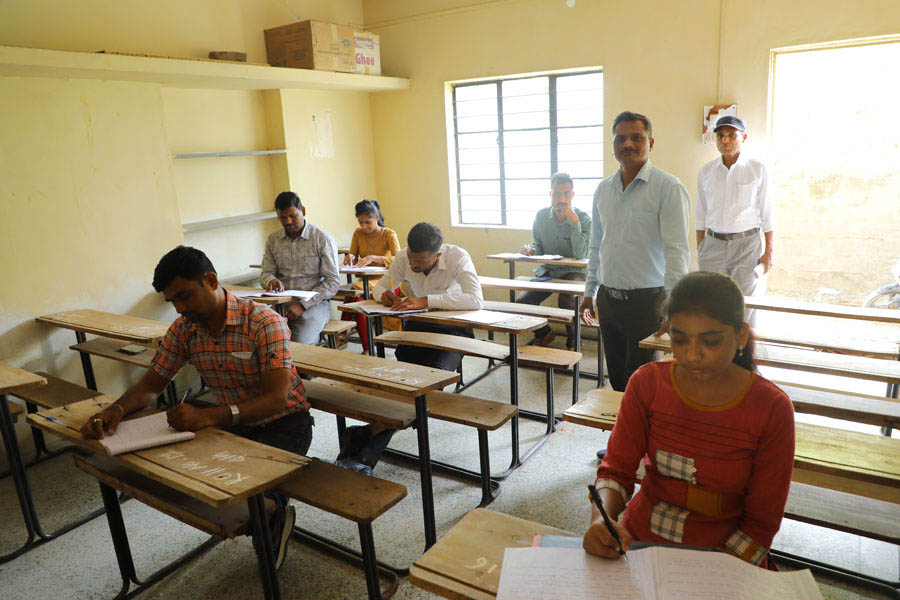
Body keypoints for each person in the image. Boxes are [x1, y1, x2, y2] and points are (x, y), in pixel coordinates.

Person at [80, 246, 313, 570]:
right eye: (172, 302)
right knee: (199, 482)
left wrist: (208, 416)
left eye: (185, 296)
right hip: (234, 423)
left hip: (285, 423)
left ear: (211, 281)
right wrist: (116, 410)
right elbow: (151, 386)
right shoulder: (185, 329)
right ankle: (269, 511)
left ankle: (273, 511)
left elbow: (276, 399)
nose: (180, 308)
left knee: (247, 492)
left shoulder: (263, 322)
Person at [582, 271, 795, 569]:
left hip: (725, 555)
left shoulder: (771, 408)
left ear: (741, 336)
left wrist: (712, 574)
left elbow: (761, 522)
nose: (692, 355)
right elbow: (616, 470)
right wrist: (600, 520)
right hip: (639, 540)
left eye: (711, 341)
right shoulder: (648, 383)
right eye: (679, 339)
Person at [336, 222, 483, 475]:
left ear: (438, 255)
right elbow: (382, 285)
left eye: (421, 261)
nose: (414, 265)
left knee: (428, 383)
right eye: (412, 258)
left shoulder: (457, 257)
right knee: (404, 385)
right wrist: (384, 295)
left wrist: (426, 300)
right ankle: (364, 454)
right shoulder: (405, 257)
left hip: (453, 331)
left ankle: (366, 437)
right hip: (418, 327)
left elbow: (475, 299)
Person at [580, 111, 691, 393]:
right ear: (612, 145)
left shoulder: (668, 188)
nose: (627, 144)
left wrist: (675, 307)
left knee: (643, 383)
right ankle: (623, 422)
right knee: (617, 380)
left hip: (648, 303)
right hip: (608, 300)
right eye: (620, 138)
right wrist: (590, 291)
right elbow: (596, 245)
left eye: (636, 138)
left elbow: (677, 252)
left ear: (650, 143)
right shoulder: (603, 190)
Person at [695, 116, 774, 322]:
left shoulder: (757, 169)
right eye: (720, 136)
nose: (725, 140)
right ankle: (716, 342)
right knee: (711, 302)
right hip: (713, 245)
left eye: (732, 135)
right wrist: (701, 248)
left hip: (746, 246)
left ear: (744, 137)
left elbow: (767, 213)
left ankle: (745, 342)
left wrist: (769, 252)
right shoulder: (706, 172)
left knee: (746, 303)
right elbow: (700, 214)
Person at [516, 172, 591, 349]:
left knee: (567, 301)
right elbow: (538, 246)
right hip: (548, 272)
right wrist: (531, 250)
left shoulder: (584, 219)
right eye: (557, 194)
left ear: (572, 195)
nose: (561, 199)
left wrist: (575, 223)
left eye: (566, 194)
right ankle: (545, 333)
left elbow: (581, 254)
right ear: (551, 194)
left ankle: (574, 341)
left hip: (574, 273)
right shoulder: (541, 216)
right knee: (522, 301)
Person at [260, 191, 340, 345]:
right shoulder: (273, 240)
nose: (288, 221)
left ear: (303, 211)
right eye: (283, 217)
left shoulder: (322, 239)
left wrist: (303, 305)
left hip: (314, 305)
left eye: (293, 216)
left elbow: (333, 282)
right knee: (266, 340)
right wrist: (271, 281)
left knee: (300, 344)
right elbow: (266, 273)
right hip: (281, 305)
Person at [341, 199, 401, 352]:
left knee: (353, 299)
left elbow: (399, 259)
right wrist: (350, 258)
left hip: (386, 280)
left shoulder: (389, 234)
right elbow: (353, 255)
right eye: (360, 222)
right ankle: (365, 347)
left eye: (368, 222)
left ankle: (343, 338)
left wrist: (374, 258)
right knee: (355, 300)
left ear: (376, 217)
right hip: (364, 281)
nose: (364, 226)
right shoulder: (358, 233)